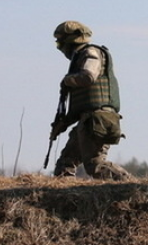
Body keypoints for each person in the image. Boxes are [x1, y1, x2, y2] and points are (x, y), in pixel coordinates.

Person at [50, 20, 132, 180]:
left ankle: (130, 185)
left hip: (97, 121)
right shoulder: (79, 59)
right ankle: (67, 198)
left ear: (70, 42)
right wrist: (63, 123)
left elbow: (89, 76)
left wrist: (68, 80)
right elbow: (83, 104)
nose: (61, 50)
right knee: (65, 164)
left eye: (60, 45)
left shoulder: (91, 53)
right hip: (88, 121)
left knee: (95, 165)